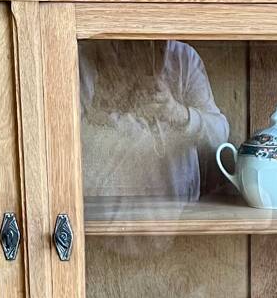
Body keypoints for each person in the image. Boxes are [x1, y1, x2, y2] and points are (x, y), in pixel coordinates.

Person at [79, 39, 229, 202]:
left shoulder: (184, 58)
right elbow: (70, 137)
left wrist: (178, 113)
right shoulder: (88, 56)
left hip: (175, 208)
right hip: (109, 206)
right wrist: (116, 118)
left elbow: (219, 135)